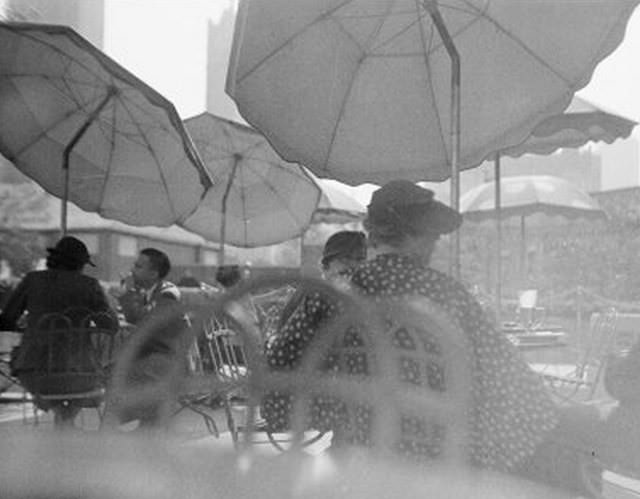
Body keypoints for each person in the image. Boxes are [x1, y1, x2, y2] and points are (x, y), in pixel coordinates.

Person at [264, 181, 596, 494]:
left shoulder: (330, 296)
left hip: (355, 467)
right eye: (432, 235)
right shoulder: (448, 296)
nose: (436, 243)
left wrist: (347, 406)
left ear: (372, 235)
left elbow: (277, 381)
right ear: (416, 236)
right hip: (439, 470)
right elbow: (510, 384)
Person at [0, 236, 118, 423]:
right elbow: (110, 325)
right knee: (86, 383)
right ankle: (66, 418)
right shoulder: (90, 285)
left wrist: (32, 326)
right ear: (80, 263)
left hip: (36, 373)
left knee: (19, 363)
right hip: (81, 374)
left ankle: (60, 416)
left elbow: (6, 320)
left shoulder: (32, 280)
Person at [112, 247, 188, 430]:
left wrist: (127, 294)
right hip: (153, 357)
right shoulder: (147, 293)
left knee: (119, 377)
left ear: (153, 273)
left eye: (138, 266)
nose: (132, 270)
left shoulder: (168, 294)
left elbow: (143, 319)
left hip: (168, 360)